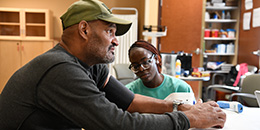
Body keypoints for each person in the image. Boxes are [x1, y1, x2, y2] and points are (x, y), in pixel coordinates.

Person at [0, 0, 226, 130]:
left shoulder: (91, 64)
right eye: (110, 32)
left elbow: (130, 101)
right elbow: (117, 125)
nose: (116, 40)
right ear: (84, 30)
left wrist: (178, 107)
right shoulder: (59, 69)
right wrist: (189, 119)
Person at [126, 40, 194, 100]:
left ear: (156, 59)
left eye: (145, 62)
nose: (141, 69)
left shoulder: (180, 88)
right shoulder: (129, 92)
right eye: (135, 66)